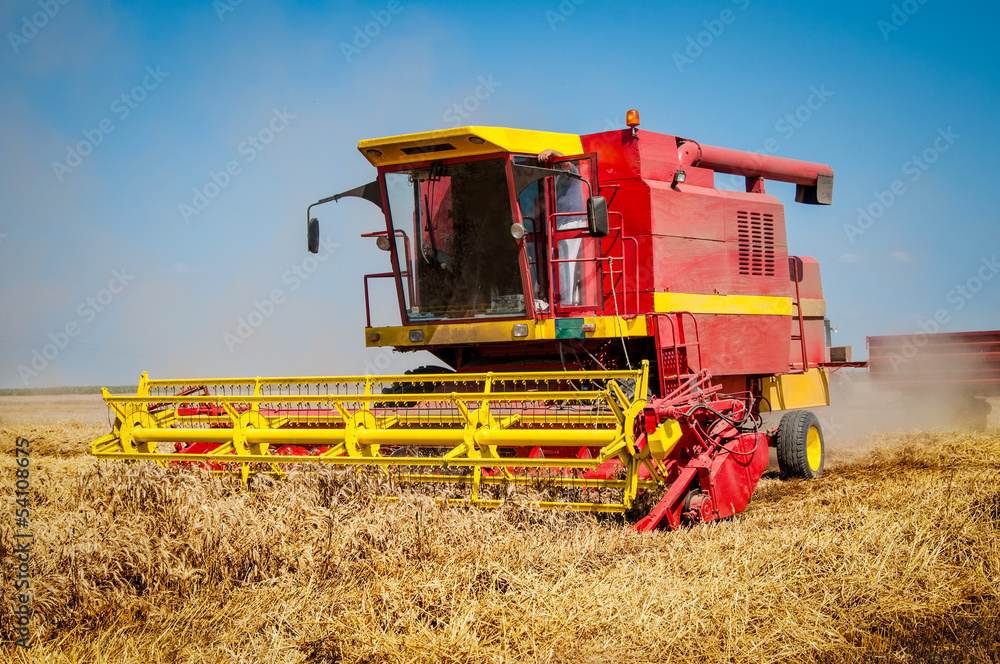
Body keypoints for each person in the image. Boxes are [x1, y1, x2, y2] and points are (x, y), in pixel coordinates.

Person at [538, 149, 587, 307]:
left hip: (572, 220)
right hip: (561, 222)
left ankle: (565, 302)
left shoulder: (570, 172)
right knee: (558, 259)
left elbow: (565, 162)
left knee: (565, 260)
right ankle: (558, 298)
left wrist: (551, 152)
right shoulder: (554, 180)